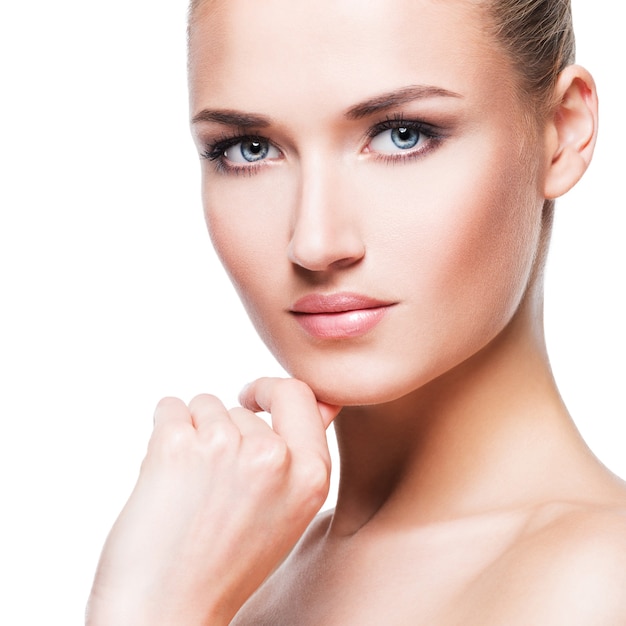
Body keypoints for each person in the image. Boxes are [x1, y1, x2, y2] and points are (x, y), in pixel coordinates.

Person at [86, 0, 626, 623]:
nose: (315, 242)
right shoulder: (232, 580)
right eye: (248, 148)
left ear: (562, 131)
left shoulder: (598, 583)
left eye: (403, 134)